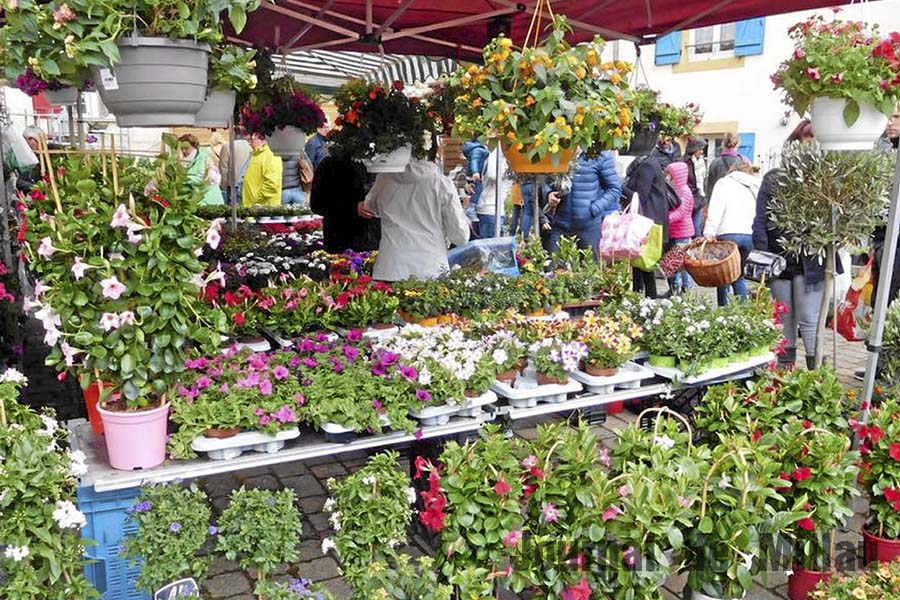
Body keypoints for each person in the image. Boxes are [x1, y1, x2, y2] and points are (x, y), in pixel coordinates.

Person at [754, 119, 823, 369]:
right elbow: (760, 219)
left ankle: (816, 376)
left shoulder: (822, 180)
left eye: (815, 142)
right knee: (784, 318)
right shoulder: (774, 179)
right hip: (779, 259)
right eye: (807, 140)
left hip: (811, 262)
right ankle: (785, 372)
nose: (811, 147)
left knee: (809, 319)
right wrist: (764, 254)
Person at [359, 157, 470, 281]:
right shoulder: (441, 183)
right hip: (431, 267)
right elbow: (460, 236)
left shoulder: (383, 180)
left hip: (389, 267)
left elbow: (369, 206)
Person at [704, 161, 761, 306]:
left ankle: (723, 310)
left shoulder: (724, 183)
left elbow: (716, 209)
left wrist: (709, 231)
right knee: (739, 276)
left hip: (727, 234)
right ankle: (741, 312)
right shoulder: (755, 185)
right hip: (749, 234)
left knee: (723, 275)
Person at [547, 151, 622, 257]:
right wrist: (549, 193)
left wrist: (594, 209)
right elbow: (547, 180)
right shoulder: (557, 151)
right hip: (560, 225)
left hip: (589, 228)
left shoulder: (600, 155)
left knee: (589, 270)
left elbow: (614, 189)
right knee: (552, 270)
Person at [310, 153, 379, 253]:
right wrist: (353, 208)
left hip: (377, 242)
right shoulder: (331, 163)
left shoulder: (385, 161)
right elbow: (317, 204)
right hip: (342, 243)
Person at [622, 154, 670, 298]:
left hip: (648, 222)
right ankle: (642, 297)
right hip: (651, 220)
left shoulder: (647, 166)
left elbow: (640, 197)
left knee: (645, 262)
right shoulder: (652, 162)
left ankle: (648, 297)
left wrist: (620, 188)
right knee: (641, 261)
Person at [665, 161, 695, 295]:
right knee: (673, 262)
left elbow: (682, 212)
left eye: (670, 174)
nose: (668, 177)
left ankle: (686, 290)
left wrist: (666, 218)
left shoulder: (684, 191)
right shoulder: (676, 189)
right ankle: (674, 288)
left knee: (683, 264)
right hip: (675, 231)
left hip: (683, 231)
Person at [177, 134, 224, 206]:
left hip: (209, 199)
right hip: (200, 199)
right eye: (181, 148)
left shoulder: (202, 155)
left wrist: (182, 178)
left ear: (193, 145)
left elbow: (201, 177)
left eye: (186, 148)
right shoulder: (189, 159)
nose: (183, 150)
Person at [475, 147, 511, 238]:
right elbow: (491, 175)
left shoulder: (501, 153)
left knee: (490, 249)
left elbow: (492, 174)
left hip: (492, 209)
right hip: (489, 209)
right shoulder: (498, 152)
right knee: (490, 249)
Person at [242, 133, 283, 207]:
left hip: (264, 208)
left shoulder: (271, 154)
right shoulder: (257, 154)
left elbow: (272, 184)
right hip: (255, 206)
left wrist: (257, 201)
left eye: (252, 140)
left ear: (263, 140)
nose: (249, 143)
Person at [706, 132, 747, 200]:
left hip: (718, 201)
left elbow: (710, 188)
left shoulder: (714, 163)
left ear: (723, 143)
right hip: (737, 202)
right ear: (738, 143)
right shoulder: (744, 162)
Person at [682, 137, 708, 237]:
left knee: (697, 227)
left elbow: (703, 181)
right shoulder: (685, 163)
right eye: (700, 149)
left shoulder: (700, 162)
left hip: (698, 198)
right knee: (692, 228)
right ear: (694, 149)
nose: (702, 152)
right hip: (689, 199)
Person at [218, 136, 251, 205]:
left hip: (233, 184)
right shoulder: (251, 146)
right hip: (248, 184)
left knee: (234, 210)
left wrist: (223, 186)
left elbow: (224, 169)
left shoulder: (227, 146)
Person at [462, 139, 490, 211]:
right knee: (478, 188)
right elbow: (475, 161)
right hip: (475, 175)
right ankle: (471, 208)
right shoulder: (478, 150)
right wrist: (475, 172)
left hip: (471, 175)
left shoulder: (473, 151)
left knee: (474, 189)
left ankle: (472, 207)